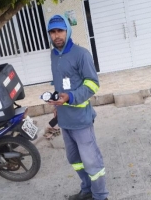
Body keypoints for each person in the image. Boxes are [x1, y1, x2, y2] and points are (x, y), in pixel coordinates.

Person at [46, 14, 109, 200]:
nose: (57, 35)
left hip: (81, 119)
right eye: (53, 32)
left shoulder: (81, 54)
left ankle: (100, 196)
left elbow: (92, 84)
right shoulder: (54, 54)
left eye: (60, 31)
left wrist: (71, 96)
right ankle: (87, 189)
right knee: (74, 160)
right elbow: (59, 82)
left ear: (68, 30)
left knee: (91, 161)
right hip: (64, 119)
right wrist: (57, 104)